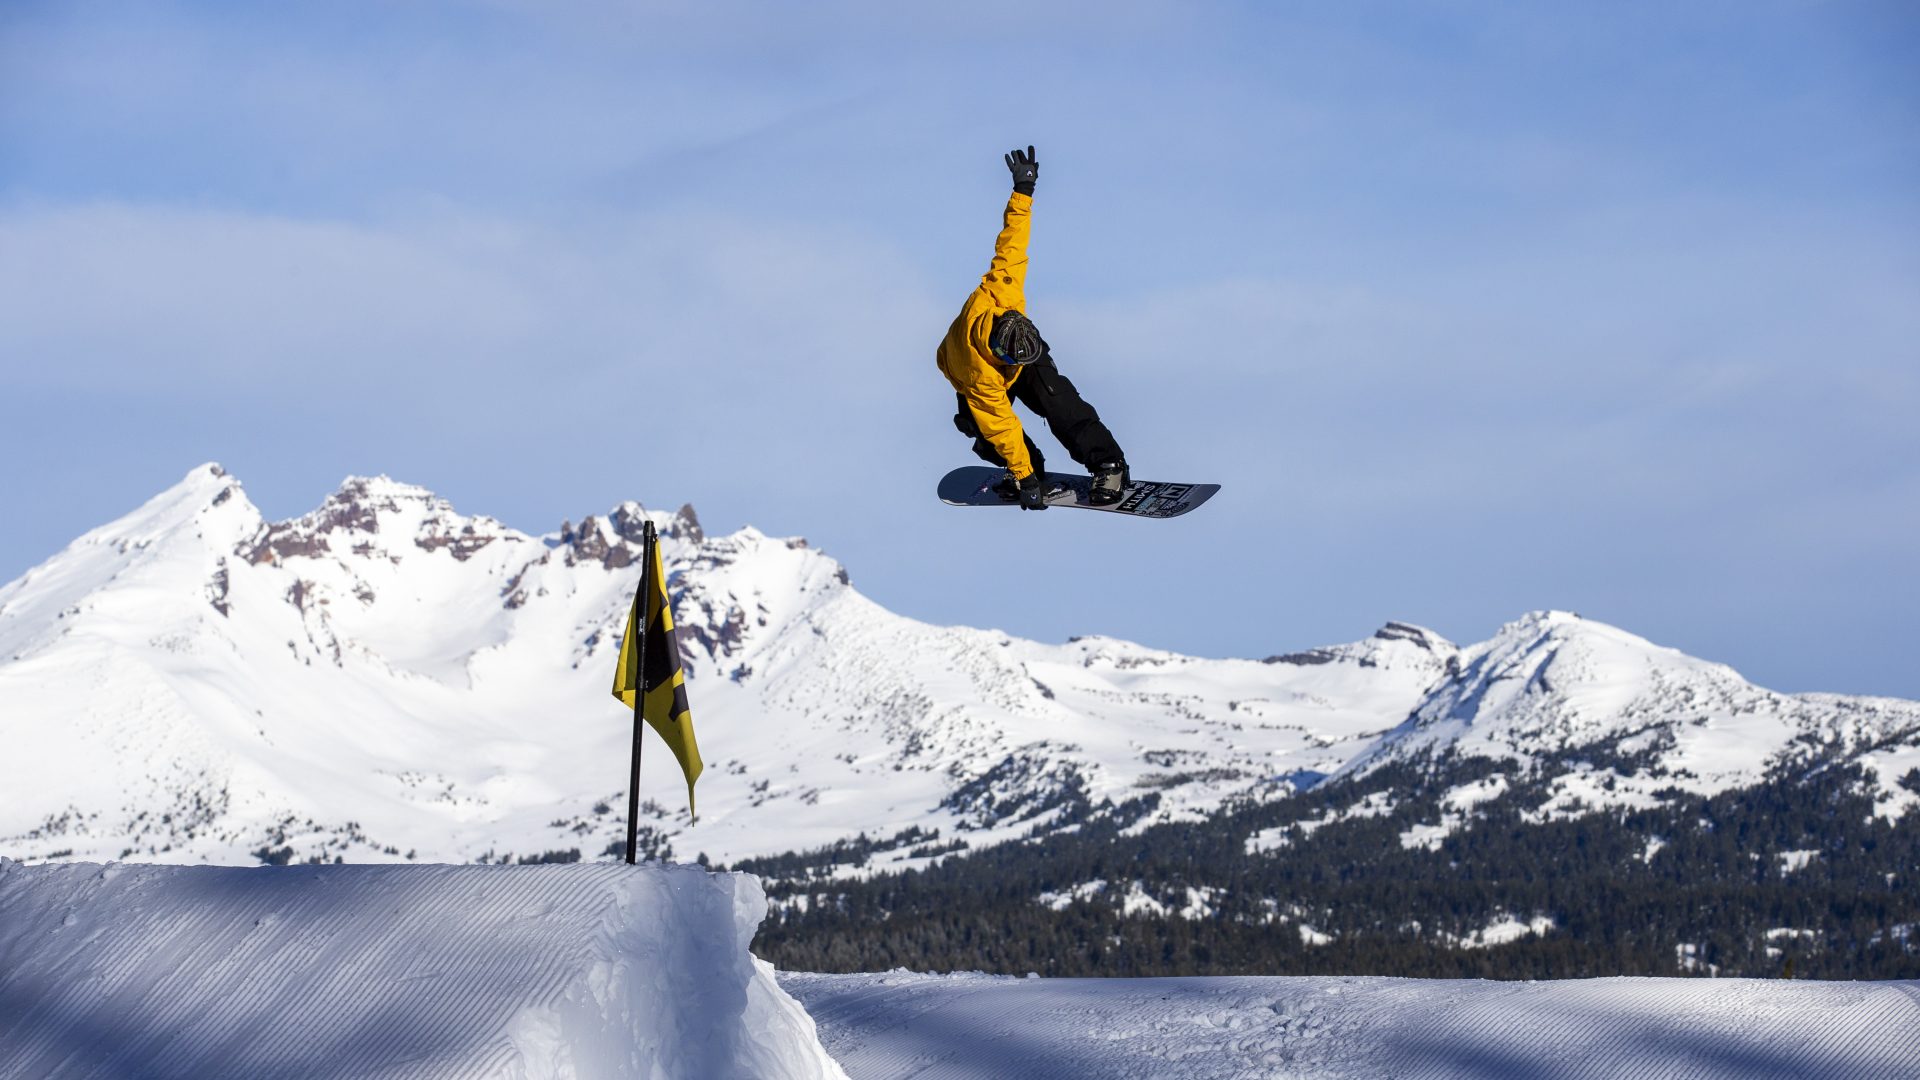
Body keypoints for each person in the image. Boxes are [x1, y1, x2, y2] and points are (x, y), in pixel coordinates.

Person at [936, 145, 1129, 510]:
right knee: (983, 428)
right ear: (998, 351)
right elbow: (1002, 426)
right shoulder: (978, 373)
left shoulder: (1002, 290)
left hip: (1020, 348)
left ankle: (1108, 464)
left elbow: (1012, 240)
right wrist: (1026, 478)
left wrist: (1022, 192)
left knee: (1057, 398)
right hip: (979, 377)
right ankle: (1030, 468)